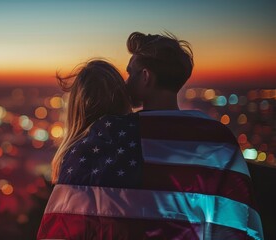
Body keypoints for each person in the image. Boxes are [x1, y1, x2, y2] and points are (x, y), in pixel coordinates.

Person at [38, 32, 264, 240]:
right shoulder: (217, 137)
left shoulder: (109, 135)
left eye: (130, 73)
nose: (125, 82)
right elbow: (238, 222)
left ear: (145, 76)